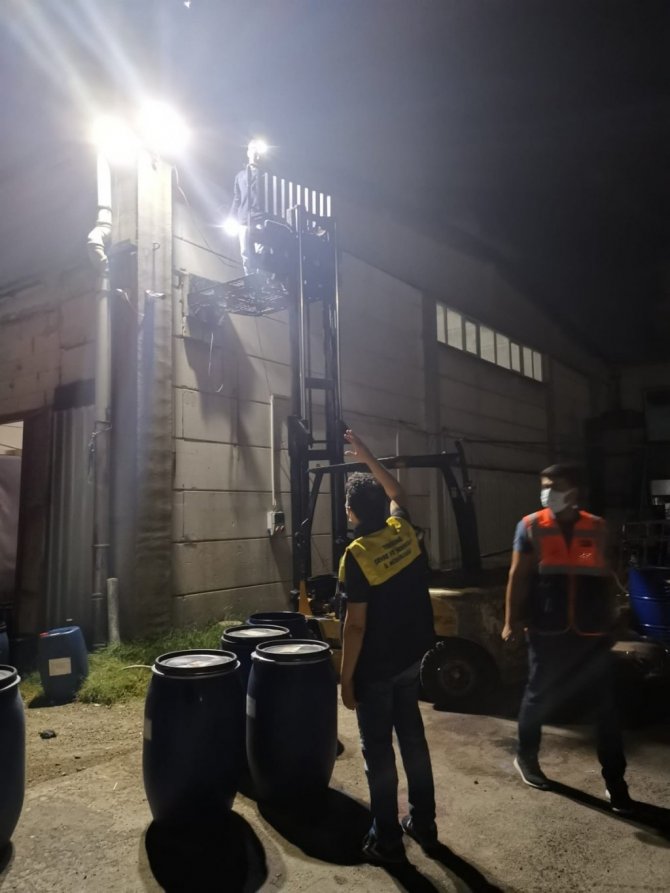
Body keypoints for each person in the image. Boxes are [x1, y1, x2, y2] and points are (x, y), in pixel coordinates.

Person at [502, 463, 632, 813]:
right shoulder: (530, 526)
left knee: (606, 710)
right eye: (544, 486)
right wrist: (510, 621)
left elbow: (606, 575)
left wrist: (616, 617)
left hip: (592, 632)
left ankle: (615, 781)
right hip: (547, 630)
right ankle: (526, 757)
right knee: (537, 698)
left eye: (554, 486)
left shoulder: (597, 528)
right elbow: (518, 576)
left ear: (573, 492)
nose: (547, 492)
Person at [338, 429, 438, 864]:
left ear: (350, 512)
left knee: (378, 752)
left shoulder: (357, 555)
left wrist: (345, 680)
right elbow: (397, 492)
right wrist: (368, 456)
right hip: (411, 657)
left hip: (376, 668)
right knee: (413, 740)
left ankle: (387, 840)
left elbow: (355, 625)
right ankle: (424, 823)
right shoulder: (403, 530)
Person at [229, 139, 268, 275]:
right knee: (245, 252)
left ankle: (261, 279)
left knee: (261, 250)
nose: (257, 153)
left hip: (259, 218)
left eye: (259, 151)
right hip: (244, 219)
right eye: (254, 149)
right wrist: (231, 217)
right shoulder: (240, 176)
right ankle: (250, 279)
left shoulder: (265, 175)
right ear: (248, 152)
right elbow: (237, 198)